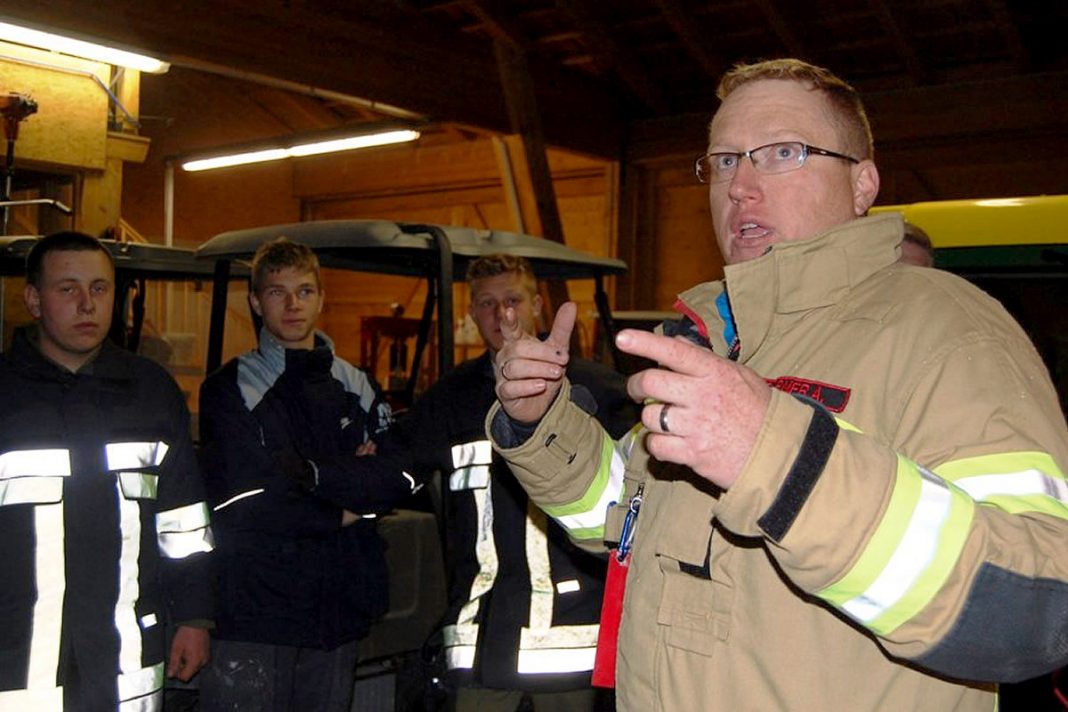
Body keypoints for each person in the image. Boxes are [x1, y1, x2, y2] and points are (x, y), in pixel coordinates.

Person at [487, 59, 1068, 711]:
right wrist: (543, 426)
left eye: (783, 153)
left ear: (862, 183)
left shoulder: (950, 331)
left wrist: (778, 456)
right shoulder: (714, 338)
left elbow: (1035, 609)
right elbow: (615, 521)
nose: (741, 185)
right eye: (725, 160)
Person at [375, 255, 636, 711]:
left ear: (537, 304)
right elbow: (390, 469)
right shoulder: (448, 401)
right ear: (472, 313)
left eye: (513, 300)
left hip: (571, 655)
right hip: (481, 647)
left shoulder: (602, 390)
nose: (502, 315)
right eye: (487, 303)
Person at [197, 237, 416, 712]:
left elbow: (395, 475)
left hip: (339, 606)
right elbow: (243, 498)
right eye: (277, 293)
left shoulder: (356, 383)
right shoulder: (229, 388)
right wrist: (342, 506)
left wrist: (310, 477)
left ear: (321, 297)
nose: (293, 305)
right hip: (259, 607)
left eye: (305, 291)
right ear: (255, 302)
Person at [0, 231, 214, 710]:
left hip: (126, 659)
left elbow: (184, 520)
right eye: (67, 289)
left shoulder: (151, 392)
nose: (86, 304)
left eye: (99, 289)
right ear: (33, 299)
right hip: (17, 659)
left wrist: (196, 618)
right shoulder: (5, 397)